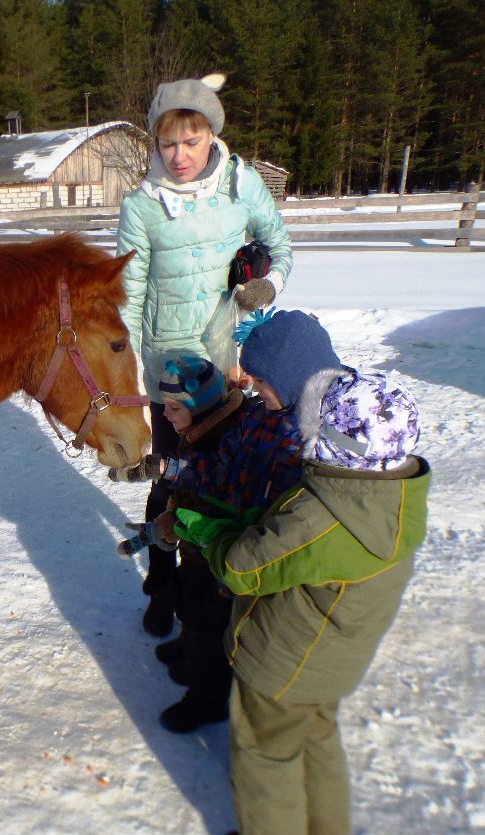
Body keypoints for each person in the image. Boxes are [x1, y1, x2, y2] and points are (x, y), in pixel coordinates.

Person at [175, 309, 431, 835]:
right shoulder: (392, 503)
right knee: (318, 734)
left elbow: (245, 567)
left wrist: (206, 531)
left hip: (285, 661)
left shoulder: (321, 516)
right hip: (338, 659)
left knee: (266, 749)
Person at [116, 73, 293, 639]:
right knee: (170, 481)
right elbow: (128, 292)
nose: (180, 155)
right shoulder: (142, 206)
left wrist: (268, 284)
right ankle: (162, 585)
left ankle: (209, 591)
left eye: (191, 142)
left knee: (224, 483)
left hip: (230, 361)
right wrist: (129, 372)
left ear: (211, 135)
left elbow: (279, 246)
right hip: (169, 366)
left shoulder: (242, 185)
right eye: (168, 144)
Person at [136, 355, 302, 733]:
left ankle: (207, 698)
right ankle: (189, 648)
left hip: (225, 542)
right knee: (191, 602)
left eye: (174, 407)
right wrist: (165, 470)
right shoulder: (231, 424)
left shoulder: (252, 433)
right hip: (201, 541)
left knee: (209, 623)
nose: (165, 414)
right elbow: (216, 473)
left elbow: (232, 484)